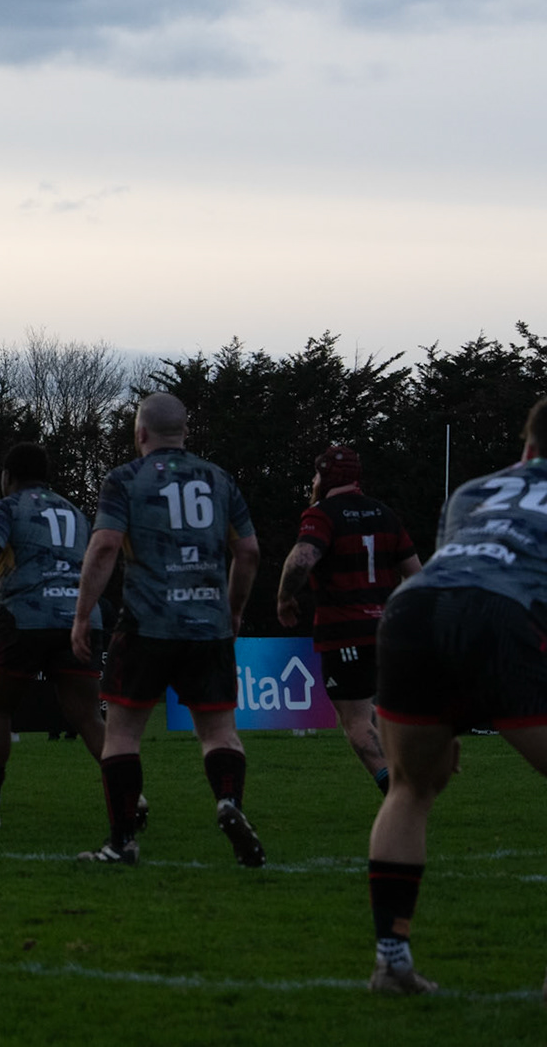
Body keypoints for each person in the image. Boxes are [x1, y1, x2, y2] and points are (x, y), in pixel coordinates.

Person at [361, 398, 547, 995]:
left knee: (413, 786)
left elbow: (459, 572)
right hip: (500, 614)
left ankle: (391, 963)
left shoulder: (471, 491)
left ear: (526, 446)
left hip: (412, 609)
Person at [70, 393, 263, 867]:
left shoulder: (125, 480)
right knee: (219, 732)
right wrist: (234, 609)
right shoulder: (220, 480)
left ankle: (121, 843)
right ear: (184, 432)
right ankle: (228, 803)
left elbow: (104, 547)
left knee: (122, 735)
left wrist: (81, 615)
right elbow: (250, 552)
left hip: (146, 625)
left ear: (140, 433)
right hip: (209, 626)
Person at [0, 442, 113, 830]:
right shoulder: (74, 512)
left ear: (7, 476)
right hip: (79, 618)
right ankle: (129, 795)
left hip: (25, 616)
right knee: (88, 717)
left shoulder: (4, 509)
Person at [276, 445, 421, 793]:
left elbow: (302, 559)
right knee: (378, 716)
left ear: (326, 476)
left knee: (356, 723)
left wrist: (284, 597)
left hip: (344, 633)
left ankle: (400, 793)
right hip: (386, 631)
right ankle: (409, 777)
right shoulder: (385, 513)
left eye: (316, 474)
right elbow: (416, 574)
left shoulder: (322, 514)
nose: (313, 481)